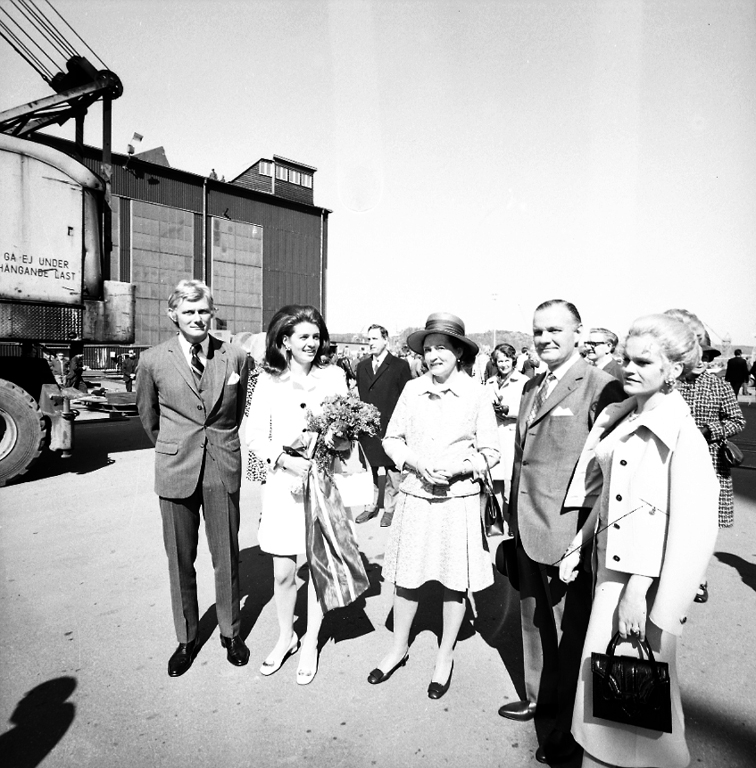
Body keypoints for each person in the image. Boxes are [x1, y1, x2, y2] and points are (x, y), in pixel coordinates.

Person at [560, 314, 719, 768]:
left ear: (673, 369)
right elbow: (615, 496)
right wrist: (580, 542)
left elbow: (686, 525)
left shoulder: (680, 432)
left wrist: (638, 591)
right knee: (612, 696)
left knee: (635, 705)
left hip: (638, 587)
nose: (628, 368)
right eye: (627, 358)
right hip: (612, 575)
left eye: (643, 362)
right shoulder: (630, 413)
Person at [500, 299, 625, 767]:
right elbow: (523, 457)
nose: (545, 339)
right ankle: (538, 699)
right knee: (533, 624)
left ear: (578, 333)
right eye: (538, 331)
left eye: (555, 330)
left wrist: (583, 540)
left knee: (566, 636)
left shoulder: (600, 386)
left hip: (565, 534)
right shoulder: (533, 385)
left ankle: (567, 729)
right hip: (526, 525)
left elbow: (607, 472)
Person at [366, 312, 499, 700]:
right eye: (427, 349)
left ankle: (445, 656)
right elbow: (392, 439)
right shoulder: (412, 389)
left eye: (442, 347)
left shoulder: (476, 394)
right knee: (407, 576)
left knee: (454, 580)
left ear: (458, 352)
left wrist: (460, 468)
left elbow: (491, 451)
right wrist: (415, 461)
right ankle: (398, 648)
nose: (433, 355)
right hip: (415, 493)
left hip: (457, 499)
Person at [136, 279, 250, 677]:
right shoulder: (152, 360)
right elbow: (149, 417)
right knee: (180, 560)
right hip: (176, 468)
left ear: (212, 313)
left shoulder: (235, 356)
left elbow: (238, 410)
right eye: (188, 311)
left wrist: (219, 442)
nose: (197, 318)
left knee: (226, 557)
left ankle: (231, 633)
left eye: (203, 311)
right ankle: (186, 638)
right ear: (173, 315)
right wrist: (174, 446)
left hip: (221, 465)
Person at [246, 305, 348, 685]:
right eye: (303, 336)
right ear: (285, 341)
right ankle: (286, 636)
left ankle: (310, 642)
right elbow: (255, 435)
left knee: (318, 567)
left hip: (321, 483)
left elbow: (346, 430)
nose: (311, 343)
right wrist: (285, 460)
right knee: (283, 572)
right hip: (282, 485)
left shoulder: (334, 376)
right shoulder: (268, 379)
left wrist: (338, 440)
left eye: (316, 336)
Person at [664, 309, 745, 602]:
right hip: (671, 461)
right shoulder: (670, 385)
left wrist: (710, 430)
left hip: (710, 463)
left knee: (702, 526)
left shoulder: (720, 386)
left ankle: (699, 577)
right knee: (672, 520)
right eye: (697, 355)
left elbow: (737, 421)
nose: (701, 361)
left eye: (707, 357)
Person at [354, 324, 412, 527]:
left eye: (375, 339)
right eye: (368, 339)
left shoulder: (399, 366)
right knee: (368, 468)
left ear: (385, 340)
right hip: (367, 428)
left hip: (390, 426)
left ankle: (390, 509)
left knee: (392, 470)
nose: (370, 343)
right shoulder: (362, 366)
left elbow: (407, 399)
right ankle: (370, 506)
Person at [485, 343, 527, 513]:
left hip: (512, 435)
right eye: (500, 361)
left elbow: (528, 410)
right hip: (495, 434)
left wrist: (509, 411)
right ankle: (498, 517)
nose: (503, 364)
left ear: (513, 360)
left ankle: (512, 517)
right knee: (495, 478)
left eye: (507, 360)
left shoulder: (524, 381)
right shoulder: (490, 382)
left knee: (512, 478)